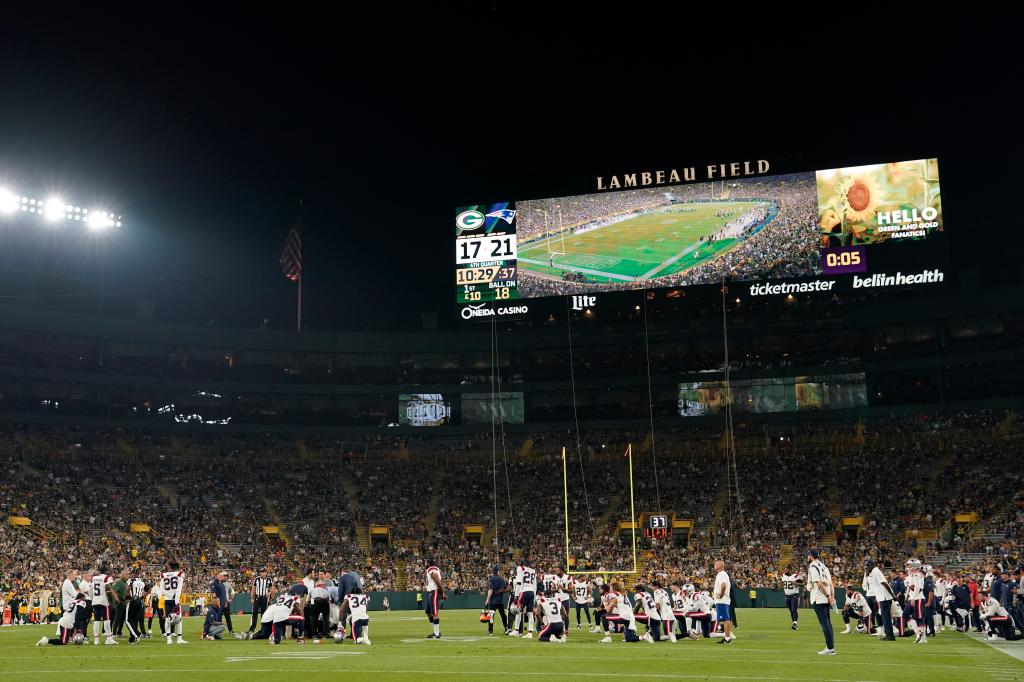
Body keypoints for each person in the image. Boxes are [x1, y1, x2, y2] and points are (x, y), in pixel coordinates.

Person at [807, 549, 836, 655]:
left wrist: (828, 596)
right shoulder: (824, 566)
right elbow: (831, 584)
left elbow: (819, 584)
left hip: (820, 598)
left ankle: (830, 648)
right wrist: (831, 596)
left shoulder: (813, 566)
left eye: (808, 556)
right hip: (827, 597)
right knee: (828, 623)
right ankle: (831, 647)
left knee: (824, 624)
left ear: (811, 556)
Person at [864, 558, 896, 640]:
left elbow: (884, 583)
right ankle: (889, 635)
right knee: (885, 617)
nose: (866, 568)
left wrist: (892, 595)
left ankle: (890, 636)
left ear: (871, 565)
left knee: (885, 617)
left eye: (867, 566)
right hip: (881, 597)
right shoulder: (873, 572)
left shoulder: (876, 571)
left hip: (884, 597)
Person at [90, 561, 118, 646]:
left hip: (95, 601)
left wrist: (92, 599)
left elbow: (91, 589)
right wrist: (114, 599)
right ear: (106, 571)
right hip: (103, 601)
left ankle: (96, 639)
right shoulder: (107, 578)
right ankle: (109, 638)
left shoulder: (94, 578)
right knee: (107, 620)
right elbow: (109, 588)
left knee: (96, 621)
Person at [161, 560, 187, 645]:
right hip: (175, 600)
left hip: (167, 599)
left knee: (167, 619)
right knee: (179, 619)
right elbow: (179, 589)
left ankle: (169, 639)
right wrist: (176, 599)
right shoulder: (180, 574)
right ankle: (179, 638)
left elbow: (162, 590)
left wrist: (169, 595)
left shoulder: (163, 575)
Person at [712, 559, 735, 644]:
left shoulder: (721, 574)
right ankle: (726, 637)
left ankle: (727, 638)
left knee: (725, 620)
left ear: (720, 566)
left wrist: (721, 594)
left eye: (716, 564)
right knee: (726, 619)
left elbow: (723, 585)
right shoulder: (723, 574)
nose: (714, 565)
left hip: (722, 600)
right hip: (724, 600)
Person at [483, 565, 509, 636]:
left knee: (491, 616)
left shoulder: (491, 579)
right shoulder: (501, 579)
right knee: (503, 615)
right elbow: (505, 589)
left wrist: (487, 600)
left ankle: (490, 631)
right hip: (500, 600)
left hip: (493, 601)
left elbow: (490, 590)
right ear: (498, 571)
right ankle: (506, 629)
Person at [424, 560, 445, 639]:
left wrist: (442, 592)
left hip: (434, 591)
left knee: (435, 613)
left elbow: (436, 578)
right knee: (428, 612)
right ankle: (436, 632)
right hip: (430, 592)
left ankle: (436, 634)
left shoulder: (431, 568)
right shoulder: (431, 569)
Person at [249, 568, 273, 634]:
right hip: (257, 597)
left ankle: (263, 629)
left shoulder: (269, 579)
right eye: (261, 572)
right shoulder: (257, 579)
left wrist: (269, 593)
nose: (262, 573)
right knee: (254, 613)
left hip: (264, 598)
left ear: (266, 573)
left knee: (264, 615)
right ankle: (251, 629)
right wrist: (252, 598)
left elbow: (271, 588)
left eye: (263, 572)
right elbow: (253, 588)